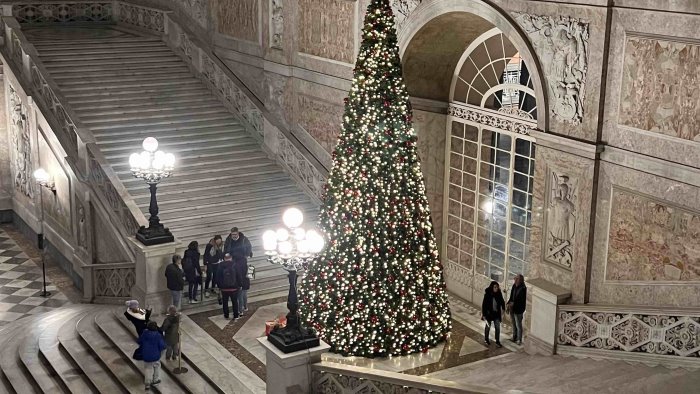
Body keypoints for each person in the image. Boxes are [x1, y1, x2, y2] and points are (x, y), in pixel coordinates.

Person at [138, 320, 166, 391]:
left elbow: (139, 341)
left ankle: (147, 384)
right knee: (157, 366)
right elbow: (162, 346)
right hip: (155, 356)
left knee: (147, 369)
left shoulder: (144, 333)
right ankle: (155, 380)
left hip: (146, 356)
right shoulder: (158, 335)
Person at [217, 253, 243, 320]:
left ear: (224, 258)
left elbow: (218, 277)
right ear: (231, 258)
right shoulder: (235, 264)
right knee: (234, 302)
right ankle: (235, 315)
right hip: (234, 288)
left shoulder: (220, 265)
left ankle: (226, 315)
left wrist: (219, 286)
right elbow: (238, 276)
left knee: (225, 302)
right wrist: (240, 284)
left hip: (224, 288)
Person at [481, 280, 506, 347]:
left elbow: (502, 302)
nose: (496, 288)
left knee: (497, 327)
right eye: (495, 287)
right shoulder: (487, 294)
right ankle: (486, 339)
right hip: (489, 314)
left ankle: (497, 341)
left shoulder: (499, 294)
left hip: (496, 314)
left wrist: (503, 308)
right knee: (488, 327)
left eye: (497, 287)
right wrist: (484, 314)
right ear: (492, 287)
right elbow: (484, 305)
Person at [507, 274, 527, 345]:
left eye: (517, 279)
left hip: (518, 309)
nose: (515, 279)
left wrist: (513, 303)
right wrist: (508, 303)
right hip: (512, 308)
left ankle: (519, 339)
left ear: (521, 280)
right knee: (513, 323)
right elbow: (511, 296)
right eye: (515, 278)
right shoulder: (514, 286)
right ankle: (514, 337)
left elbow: (521, 300)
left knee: (518, 325)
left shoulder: (523, 288)